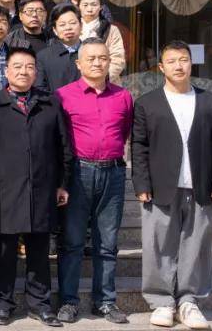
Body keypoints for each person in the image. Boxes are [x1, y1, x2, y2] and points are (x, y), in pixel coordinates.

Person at [132, 40, 212, 330]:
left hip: (201, 184)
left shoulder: (210, 101)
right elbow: (139, 146)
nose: (179, 65)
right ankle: (162, 301)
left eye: (183, 59)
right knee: (158, 244)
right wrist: (141, 181)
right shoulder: (147, 103)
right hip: (160, 185)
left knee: (197, 243)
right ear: (161, 67)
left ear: (191, 63)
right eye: (172, 61)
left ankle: (189, 301)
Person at [0, 47, 74, 327]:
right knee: (5, 251)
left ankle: (39, 304)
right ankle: (2, 303)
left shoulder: (50, 103)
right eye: (18, 66)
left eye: (30, 67)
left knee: (39, 250)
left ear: (36, 72)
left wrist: (62, 184)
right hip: (6, 189)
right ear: (6, 71)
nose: (24, 72)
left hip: (42, 187)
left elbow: (63, 146)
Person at [55, 39, 133, 325]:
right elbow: (59, 139)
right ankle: (68, 301)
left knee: (107, 243)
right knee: (72, 242)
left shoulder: (123, 96)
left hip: (113, 173)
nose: (98, 63)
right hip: (78, 173)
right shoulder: (63, 96)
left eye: (103, 58)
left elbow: (125, 131)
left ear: (109, 61)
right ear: (79, 64)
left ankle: (105, 301)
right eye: (91, 58)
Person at [78, 0, 126, 84]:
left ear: (100, 7)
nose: (90, 9)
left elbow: (118, 59)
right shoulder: (73, 28)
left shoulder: (111, 30)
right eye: (85, 5)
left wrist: (101, 78)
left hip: (106, 83)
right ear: (78, 6)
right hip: (77, 83)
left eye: (94, 5)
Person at [36, 4, 83, 93]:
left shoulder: (92, 53)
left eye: (72, 23)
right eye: (62, 25)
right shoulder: (43, 57)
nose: (68, 28)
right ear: (55, 30)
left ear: (81, 26)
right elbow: (40, 89)